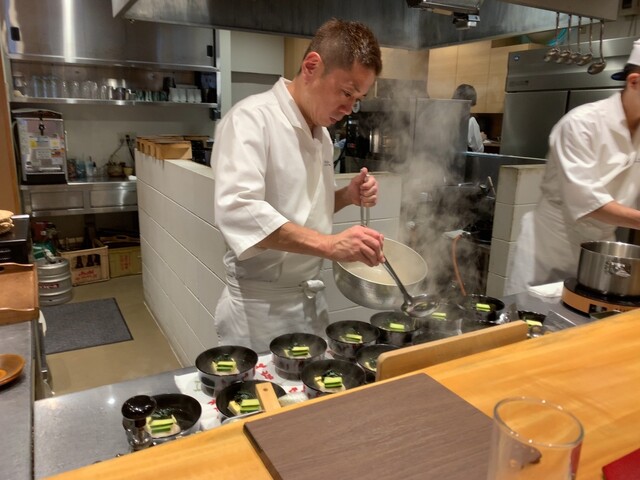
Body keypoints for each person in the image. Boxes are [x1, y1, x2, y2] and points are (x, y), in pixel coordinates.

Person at [212, 18, 384, 353]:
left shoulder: (321, 135)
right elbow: (239, 211)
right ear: (311, 66)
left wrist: (346, 196)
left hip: (308, 303)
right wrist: (330, 245)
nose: (349, 109)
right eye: (346, 92)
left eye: (357, 98)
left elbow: (302, 207)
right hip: (259, 311)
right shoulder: (251, 119)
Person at [504, 39, 640, 295]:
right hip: (550, 248)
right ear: (634, 82)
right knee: (533, 313)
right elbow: (588, 201)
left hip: (601, 253)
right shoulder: (581, 124)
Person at [452, 84, 484, 152]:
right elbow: (479, 150)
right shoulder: (471, 121)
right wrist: (481, 138)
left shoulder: (446, 118)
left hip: (446, 157)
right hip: (462, 158)